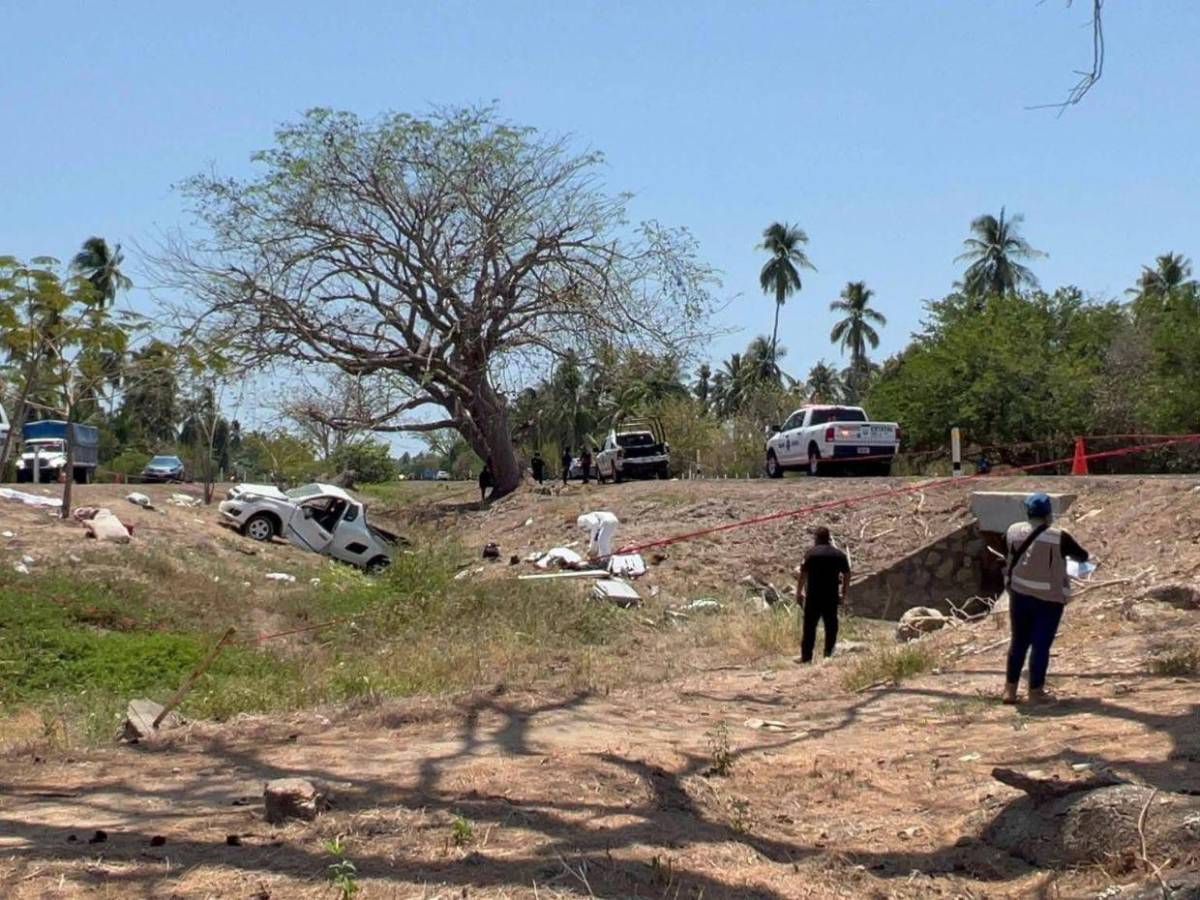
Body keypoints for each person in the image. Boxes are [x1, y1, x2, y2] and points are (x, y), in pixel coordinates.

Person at [1003, 491, 1089, 704]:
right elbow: (1082, 556)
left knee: (1018, 643)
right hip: (1049, 599)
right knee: (1040, 646)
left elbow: (1007, 552)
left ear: (1028, 512)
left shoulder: (1013, 530)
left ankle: (1010, 691)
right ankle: (1036, 691)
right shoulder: (1058, 536)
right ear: (1049, 514)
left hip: (1019, 594)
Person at [794, 526, 851, 663]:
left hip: (813, 596)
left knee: (809, 627)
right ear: (828, 538)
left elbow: (803, 575)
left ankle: (806, 657)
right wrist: (844, 593)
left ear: (817, 538)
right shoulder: (838, 555)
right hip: (831, 596)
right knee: (831, 626)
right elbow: (847, 574)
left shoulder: (811, 554)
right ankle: (828, 654)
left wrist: (799, 592)